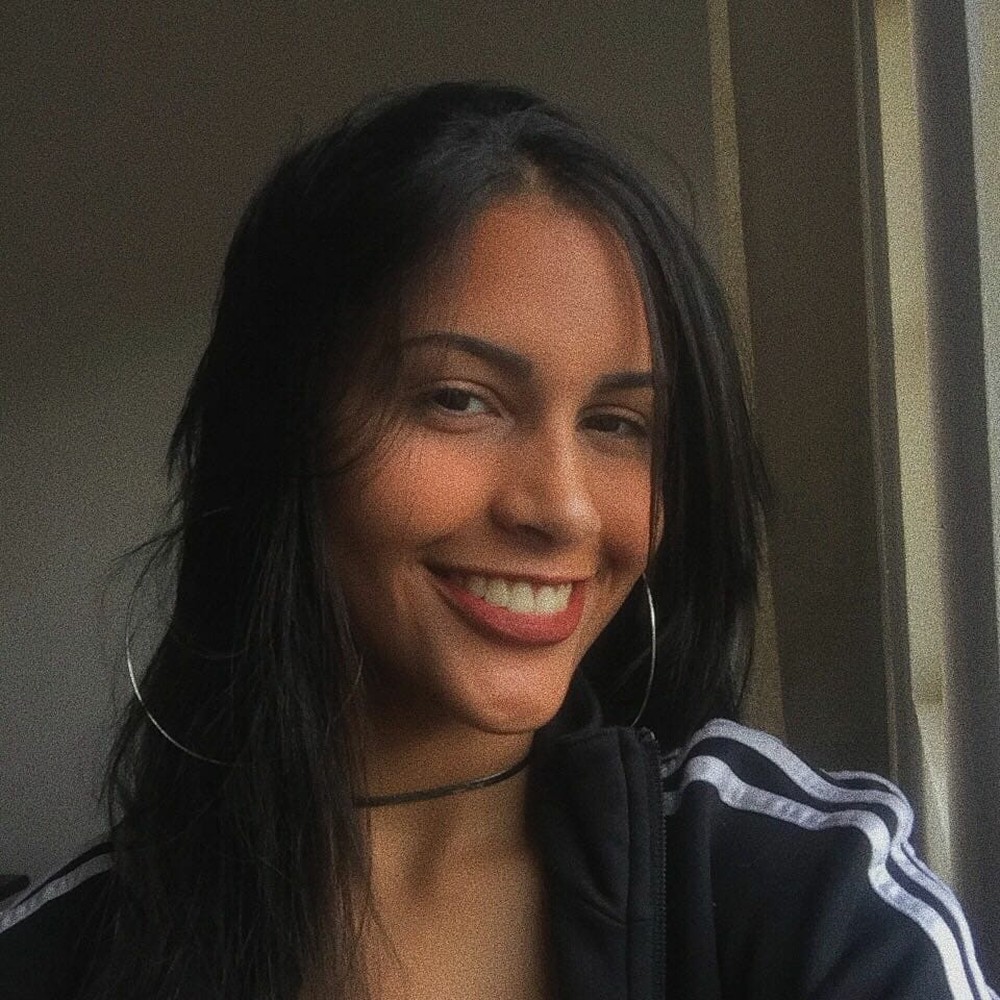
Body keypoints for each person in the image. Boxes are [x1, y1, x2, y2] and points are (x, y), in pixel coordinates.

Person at [0, 81, 994, 1000]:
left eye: (618, 423)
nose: (562, 509)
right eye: (459, 399)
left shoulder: (804, 898)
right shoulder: (55, 958)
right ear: (282, 433)